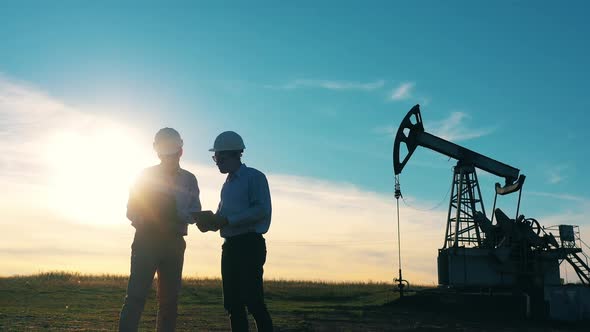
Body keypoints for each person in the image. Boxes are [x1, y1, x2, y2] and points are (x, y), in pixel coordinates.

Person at [119, 127, 201, 332]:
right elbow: (131, 210)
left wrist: (174, 215)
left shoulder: (189, 179)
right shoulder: (144, 176)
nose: (168, 158)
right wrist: (147, 219)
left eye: (171, 153)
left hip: (174, 242)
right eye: (165, 153)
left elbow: (194, 212)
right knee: (136, 296)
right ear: (157, 152)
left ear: (180, 152)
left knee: (169, 302)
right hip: (147, 239)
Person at [203, 131, 274, 332]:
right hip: (231, 247)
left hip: (250, 244)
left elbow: (261, 210)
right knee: (233, 304)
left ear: (234, 154)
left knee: (254, 301)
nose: (216, 161)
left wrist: (228, 220)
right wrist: (210, 223)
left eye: (219, 157)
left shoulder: (255, 177)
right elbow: (222, 215)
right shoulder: (226, 186)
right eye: (215, 157)